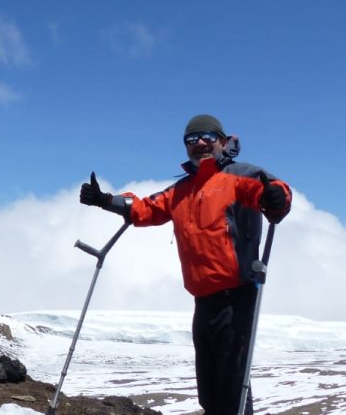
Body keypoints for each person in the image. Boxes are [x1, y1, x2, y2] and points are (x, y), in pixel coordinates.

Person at [79, 114, 292, 415]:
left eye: (207, 137)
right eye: (192, 140)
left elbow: (277, 192)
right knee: (209, 382)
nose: (200, 144)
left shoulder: (240, 176)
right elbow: (146, 208)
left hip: (237, 295)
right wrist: (105, 200)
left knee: (233, 381)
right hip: (203, 300)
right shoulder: (182, 191)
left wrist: (277, 197)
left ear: (221, 141)